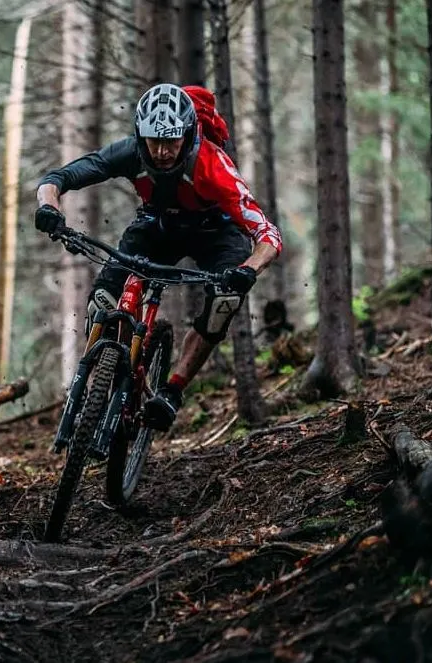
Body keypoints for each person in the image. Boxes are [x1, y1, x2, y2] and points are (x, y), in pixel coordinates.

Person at [33, 82, 283, 432]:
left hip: (216, 231)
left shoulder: (213, 166)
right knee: (102, 300)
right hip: (158, 223)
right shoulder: (130, 153)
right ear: (140, 135)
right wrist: (49, 208)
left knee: (224, 301)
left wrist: (248, 270)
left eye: (172, 141)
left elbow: (268, 235)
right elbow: (58, 178)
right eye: (154, 141)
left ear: (188, 133)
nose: (163, 151)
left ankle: (172, 390)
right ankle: (98, 381)